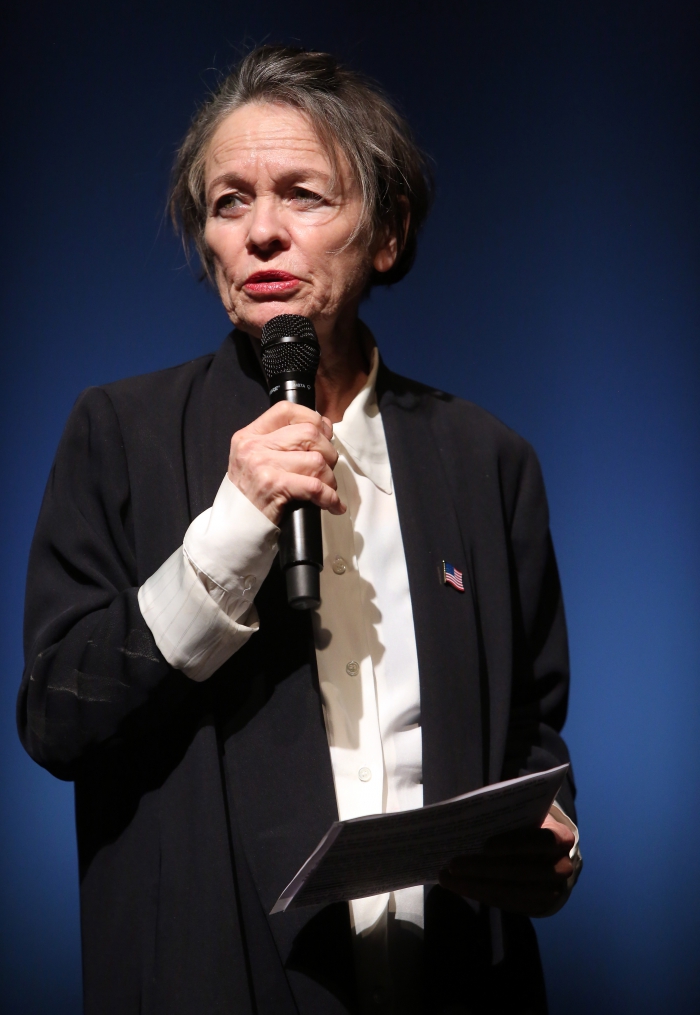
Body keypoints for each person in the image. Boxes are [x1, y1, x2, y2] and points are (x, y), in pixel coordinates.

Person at [19, 45, 581, 1015]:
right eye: (228, 202)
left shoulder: (488, 459)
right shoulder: (119, 435)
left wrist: (548, 843)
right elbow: (56, 717)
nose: (261, 233)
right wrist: (227, 534)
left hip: (449, 980)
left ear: (388, 233)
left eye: (302, 195)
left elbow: (530, 731)